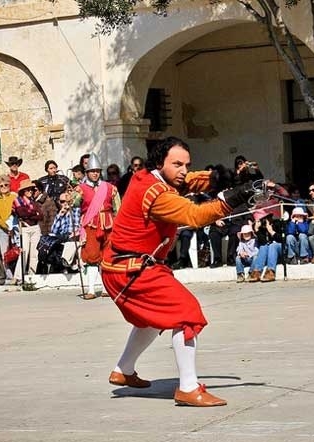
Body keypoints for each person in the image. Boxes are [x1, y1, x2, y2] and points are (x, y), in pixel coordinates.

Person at [100, 136, 254, 407]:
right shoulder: (156, 194)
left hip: (126, 266)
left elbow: (189, 179)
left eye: (187, 163)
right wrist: (234, 197)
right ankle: (188, 387)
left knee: (153, 318)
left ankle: (123, 370)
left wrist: (222, 176)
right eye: (178, 164)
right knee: (187, 314)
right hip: (131, 269)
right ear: (160, 162)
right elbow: (194, 216)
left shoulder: (149, 177)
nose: (183, 170)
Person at [72, 152, 121, 299]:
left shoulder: (110, 188)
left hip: (108, 224)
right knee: (92, 257)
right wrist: (70, 198)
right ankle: (91, 290)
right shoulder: (80, 188)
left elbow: (118, 208)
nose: (95, 174)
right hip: (91, 225)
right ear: (87, 173)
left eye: (97, 171)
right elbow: (74, 204)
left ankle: (107, 288)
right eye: (92, 171)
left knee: (107, 257)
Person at [12, 179, 43, 280]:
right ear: (23, 191)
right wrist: (33, 213)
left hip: (35, 228)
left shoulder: (34, 202)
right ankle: (18, 276)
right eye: (27, 190)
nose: (30, 191)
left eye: (31, 190)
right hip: (24, 228)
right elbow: (21, 213)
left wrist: (30, 214)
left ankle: (32, 275)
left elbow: (41, 216)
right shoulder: (17, 201)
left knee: (35, 253)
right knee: (24, 252)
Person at [0, 174, 18, 280]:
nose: (4, 187)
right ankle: (8, 275)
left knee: (17, 250)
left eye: (6, 185)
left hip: (15, 227)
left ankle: (19, 273)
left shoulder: (14, 197)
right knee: (4, 252)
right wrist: (5, 226)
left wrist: (12, 225)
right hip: (2, 230)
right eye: (1, 185)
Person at [249, 210, 283, 282]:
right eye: (262, 219)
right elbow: (264, 242)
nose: (264, 220)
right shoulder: (262, 228)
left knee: (272, 245)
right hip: (269, 254)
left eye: (266, 218)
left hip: (280, 249)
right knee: (263, 246)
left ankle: (271, 271)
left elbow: (282, 240)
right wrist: (257, 230)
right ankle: (257, 271)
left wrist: (272, 232)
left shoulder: (277, 223)